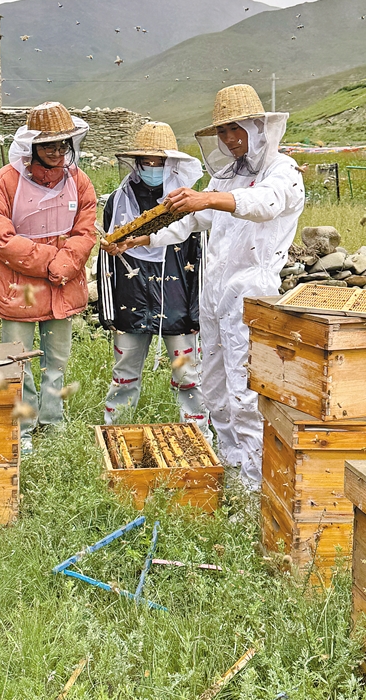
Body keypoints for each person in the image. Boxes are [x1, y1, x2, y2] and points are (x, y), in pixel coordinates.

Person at [112, 85, 305, 491]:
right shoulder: (227, 175)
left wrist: (208, 199)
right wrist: (145, 237)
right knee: (215, 389)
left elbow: (265, 204)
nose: (230, 139)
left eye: (236, 129)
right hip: (215, 293)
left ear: (258, 127)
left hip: (253, 295)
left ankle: (254, 489)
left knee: (245, 391)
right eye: (222, 131)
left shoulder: (282, 170)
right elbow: (191, 221)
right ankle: (232, 473)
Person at [0, 102, 97, 450]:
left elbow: (85, 230)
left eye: (63, 144)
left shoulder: (79, 181)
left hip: (62, 285)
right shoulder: (6, 181)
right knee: (19, 360)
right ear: (33, 145)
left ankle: (52, 421)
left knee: (56, 360)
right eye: (49, 144)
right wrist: (51, 260)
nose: (57, 151)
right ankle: (24, 430)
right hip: (19, 287)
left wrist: (66, 263)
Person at [98, 121, 208, 433]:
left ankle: (199, 436)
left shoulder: (187, 203)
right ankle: (116, 433)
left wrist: (196, 312)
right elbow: (106, 255)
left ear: (171, 163)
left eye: (158, 162)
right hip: (130, 300)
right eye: (146, 161)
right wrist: (109, 311)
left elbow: (200, 258)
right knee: (124, 374)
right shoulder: (118, 200)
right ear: (136, 163)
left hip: (179, 305)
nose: (151, 167)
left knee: (188, 375)